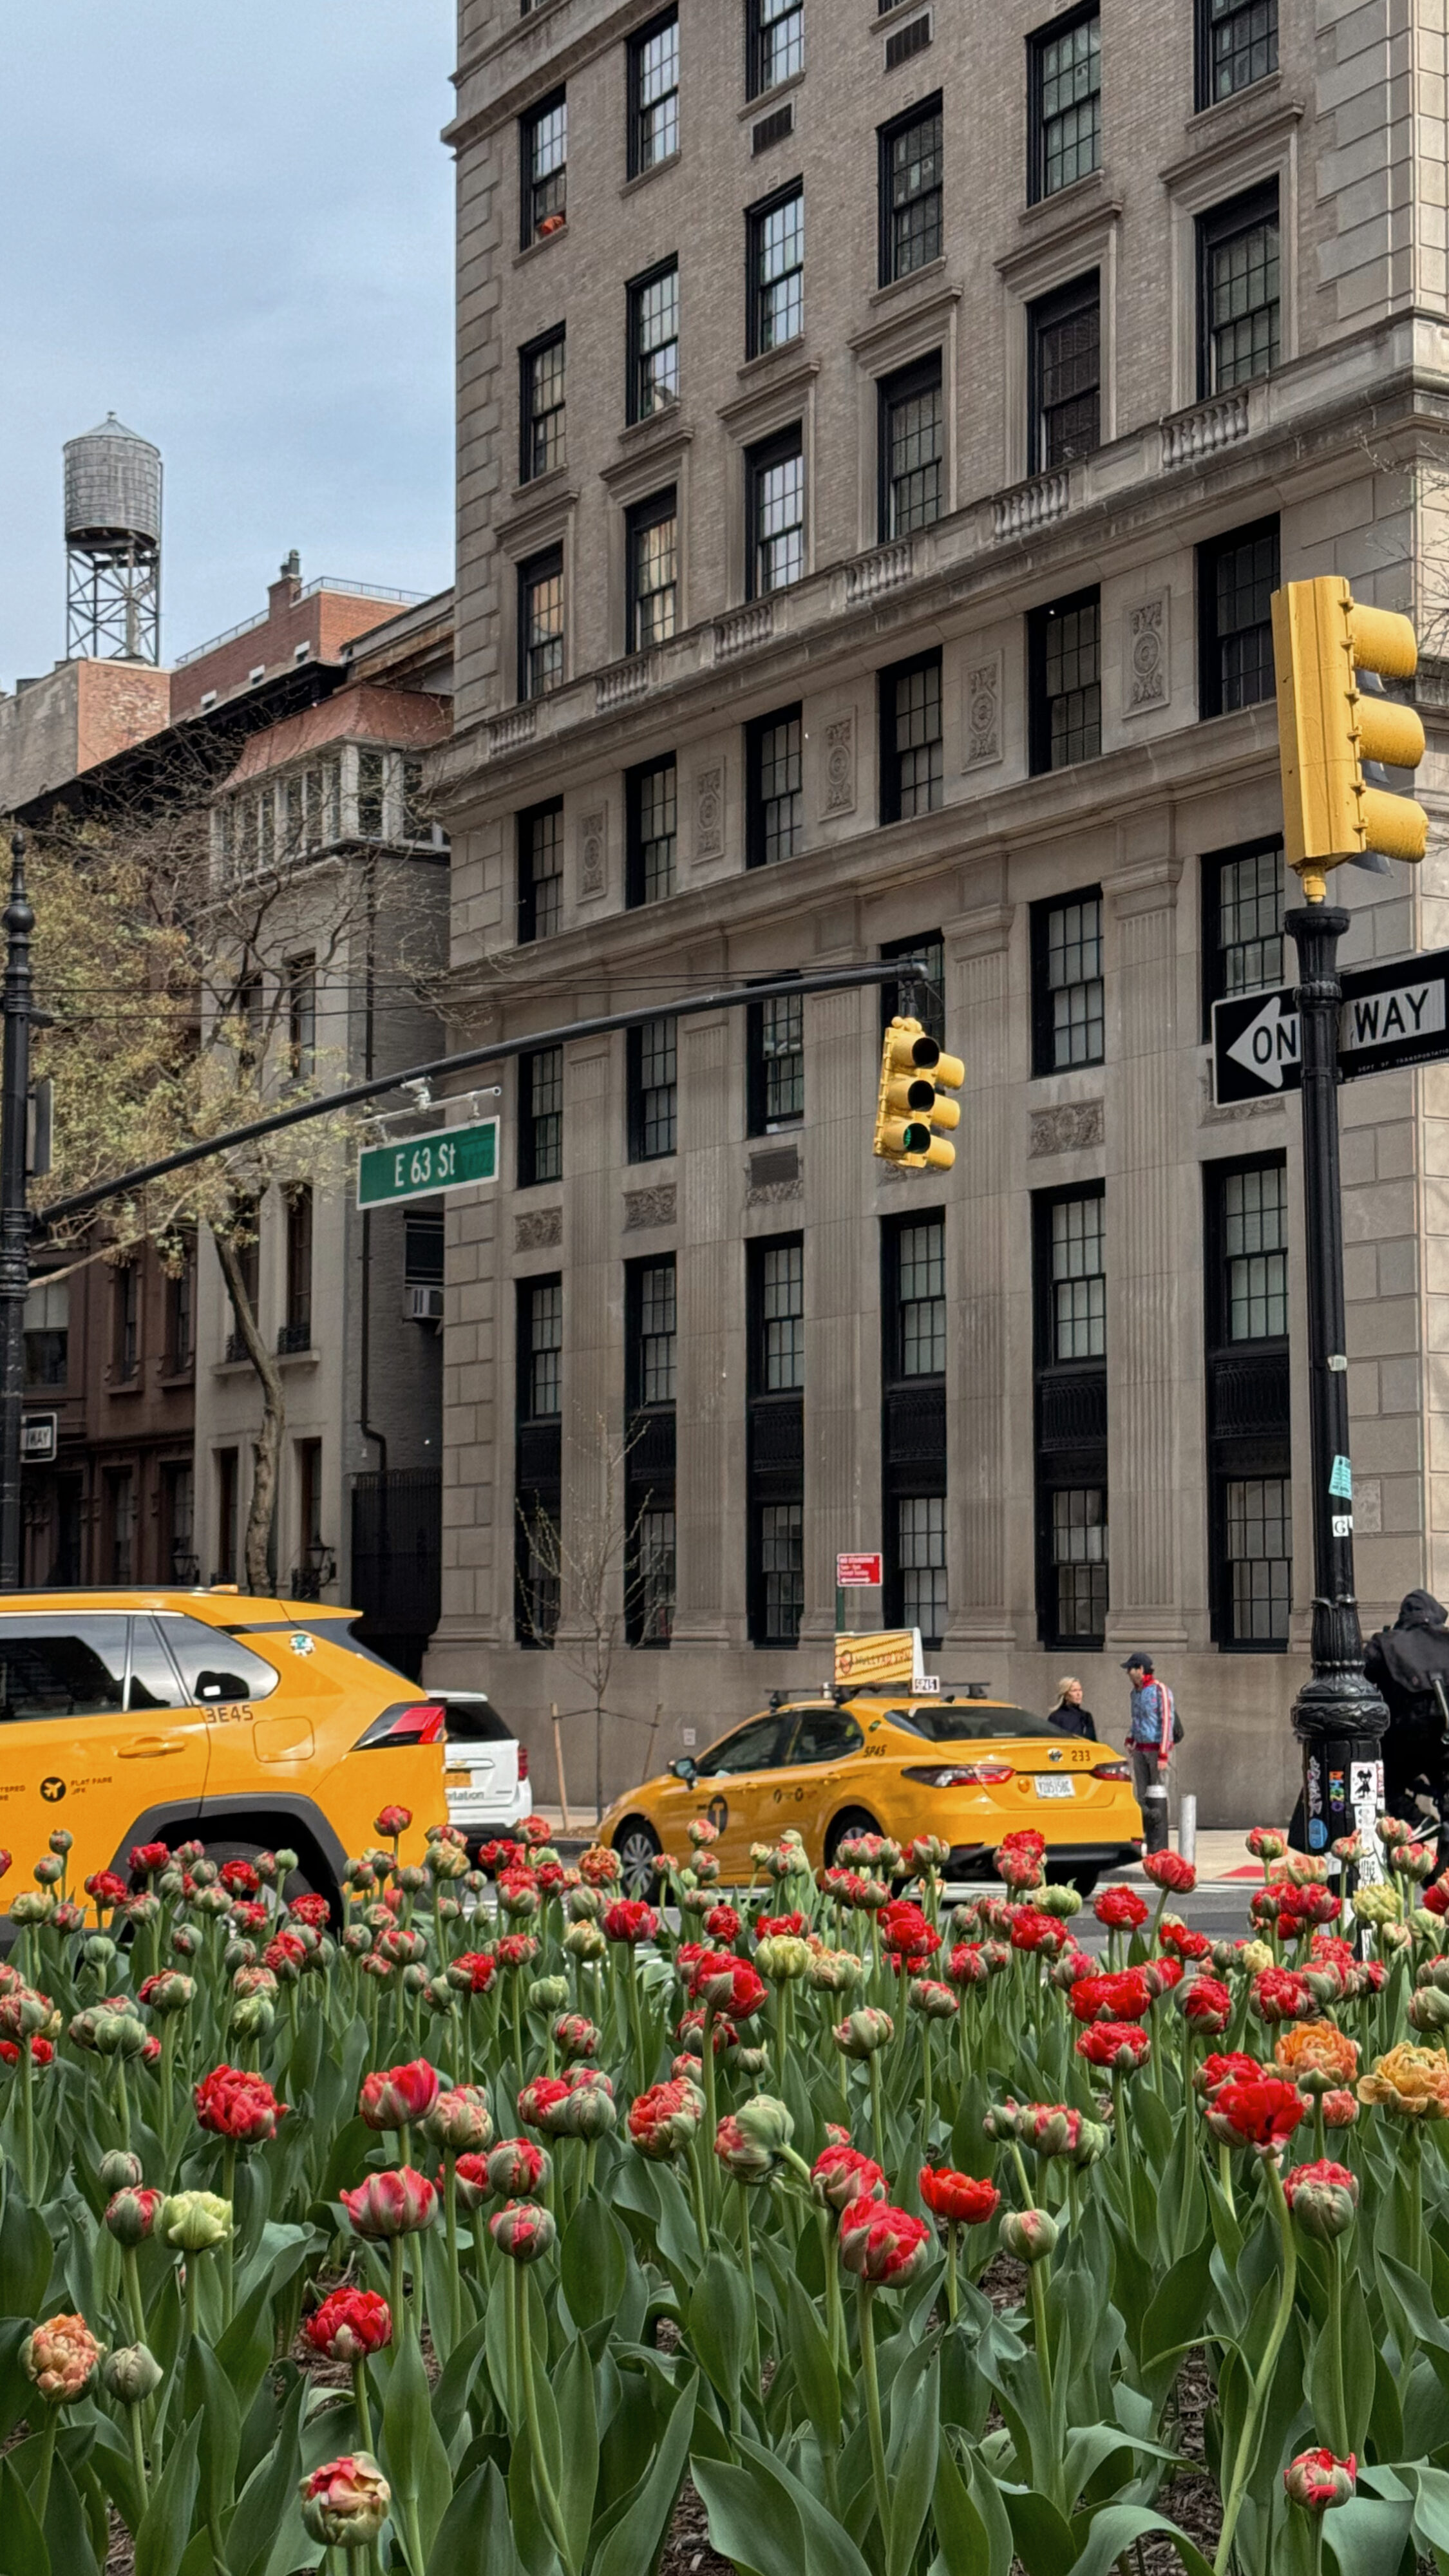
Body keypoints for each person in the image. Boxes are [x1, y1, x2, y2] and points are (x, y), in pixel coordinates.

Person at [1363, 1589, 1449, 1826]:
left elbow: (1359, 1679)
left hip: (1401, 1739)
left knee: (1384, 1789)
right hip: (1445, 1739)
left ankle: (1419, 1823)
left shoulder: (1386, 1643)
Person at [1122, 1652, 1174, 1814]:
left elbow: (1167, 1721)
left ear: (1141, 1669)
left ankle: (1160, 1829)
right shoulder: (1135, 1693)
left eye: (1130, 1669)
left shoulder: (1160, 1690)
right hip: (1140, 1749)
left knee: (1158, 1792)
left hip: (1156, 1750)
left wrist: (1163, 1754)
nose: (1128, 1673)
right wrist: (1131, 1738)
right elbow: (1136, 1718)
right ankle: (1144, 1828)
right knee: (1142, 1793)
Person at [1049, 1677, 1097, 1741]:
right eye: (1074, 1691)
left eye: (1080, 1690)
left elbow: (1093, 1741)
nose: (1079, 1694)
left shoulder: (1086, 1716)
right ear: (1066, 1695)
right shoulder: (1055, 1717)